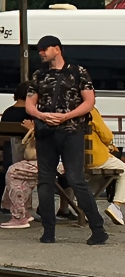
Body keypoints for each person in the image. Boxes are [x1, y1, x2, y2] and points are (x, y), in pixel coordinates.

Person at [26, 34, 108, 245]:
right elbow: (30, 105)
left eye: (45, 49)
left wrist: (65, 116)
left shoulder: (78, 72)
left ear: (57, 49)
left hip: (71, 130)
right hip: (47, 132)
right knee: (46, 180)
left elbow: (89, 102)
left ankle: (97, 228)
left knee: (75, 179)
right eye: (40, 50)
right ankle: (48, 231)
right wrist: (43, 116)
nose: (41, 53)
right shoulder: (38, 75)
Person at [85, 107, 125, 226]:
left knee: (99, 175)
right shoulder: (89, 110)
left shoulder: (67, 109)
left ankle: (86, 207)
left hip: (76, 159)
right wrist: (109, 144)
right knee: (123, 170)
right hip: (95, 156)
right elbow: (106, 135)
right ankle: (116, 206)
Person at [0, 120, 39, 228]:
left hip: (48, 162)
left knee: (13, 172)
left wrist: (32, 129)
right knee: (22, 175)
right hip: (47, 161)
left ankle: (18, 216)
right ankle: (23, 211)